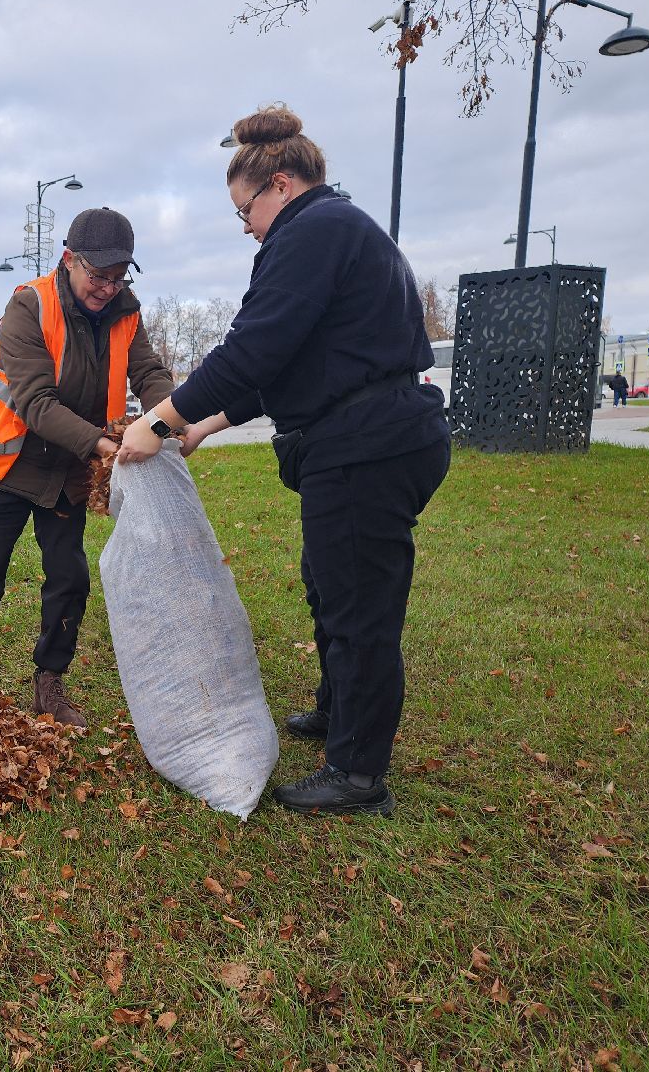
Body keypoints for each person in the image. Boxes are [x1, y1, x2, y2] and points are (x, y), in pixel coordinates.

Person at [118, 104, 450, 816]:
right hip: (361, 437)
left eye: (246, 212)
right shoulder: (333, 231)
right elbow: (301, 363)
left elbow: (254, 348)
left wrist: (161, 418)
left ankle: (357, 775)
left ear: (282, 184)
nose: (248, 228)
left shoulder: (314, 232)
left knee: (360, 607)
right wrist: (205, 423)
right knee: (330, 585)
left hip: (369, 447)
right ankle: (339, 711)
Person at [0, 207, 174, 728]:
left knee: (69, 578)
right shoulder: (28, 305)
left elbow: (149, 373)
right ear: (69, 260)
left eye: (119, 278)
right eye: (98, 275)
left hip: (71, 467)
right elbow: (35, 403)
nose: (108, 288)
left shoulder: (126, 313)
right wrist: (102, 445)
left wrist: (170, 419)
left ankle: (49, 683)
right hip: (9, 463)